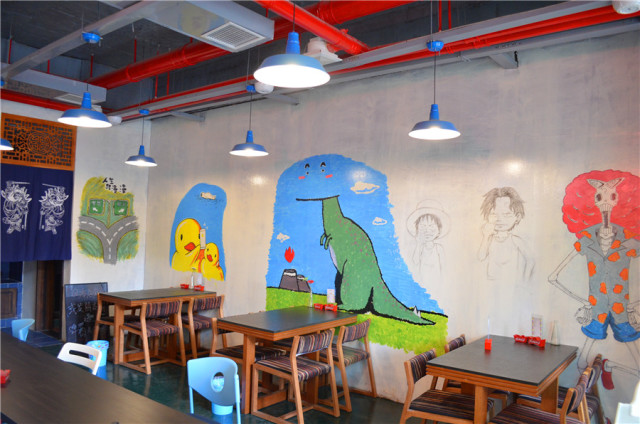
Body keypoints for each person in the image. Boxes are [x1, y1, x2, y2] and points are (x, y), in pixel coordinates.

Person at [478, 187, 534, 282]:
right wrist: (486, 236)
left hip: (510, 282)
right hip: (491, 282)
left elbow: (531, 260)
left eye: (507, 214)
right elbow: (481, 257)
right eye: (494, 214)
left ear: (517, 217)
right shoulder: (490, 239)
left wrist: (525, 281)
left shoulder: (515, 240)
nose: (499, 219)